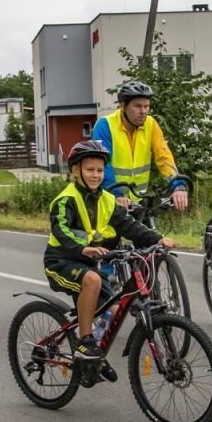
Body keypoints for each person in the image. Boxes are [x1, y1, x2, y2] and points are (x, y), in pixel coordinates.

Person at [44, 140, 168, 386]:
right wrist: (83, 248)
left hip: (88, 264)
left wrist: (158, 239)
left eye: (100, 170)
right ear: (76, 170)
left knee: (113, 310)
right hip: (61, 261)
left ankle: (93, 362)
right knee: (92, 280)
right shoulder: (65, 199)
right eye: (90, 169)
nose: (95, 175)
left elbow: (129, 225)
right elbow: (62, 231)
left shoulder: (108, 200)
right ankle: (85, 342)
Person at [92, 79, 189, 213]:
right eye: (137, 106)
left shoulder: (151, 124)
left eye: (146, 106)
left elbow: (164, 157)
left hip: (138, 200)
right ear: (123, 105)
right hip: (109, 198)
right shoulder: (105, 125)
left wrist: (178, 185)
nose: (143, 111)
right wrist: (117, 195)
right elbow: (103, 163)